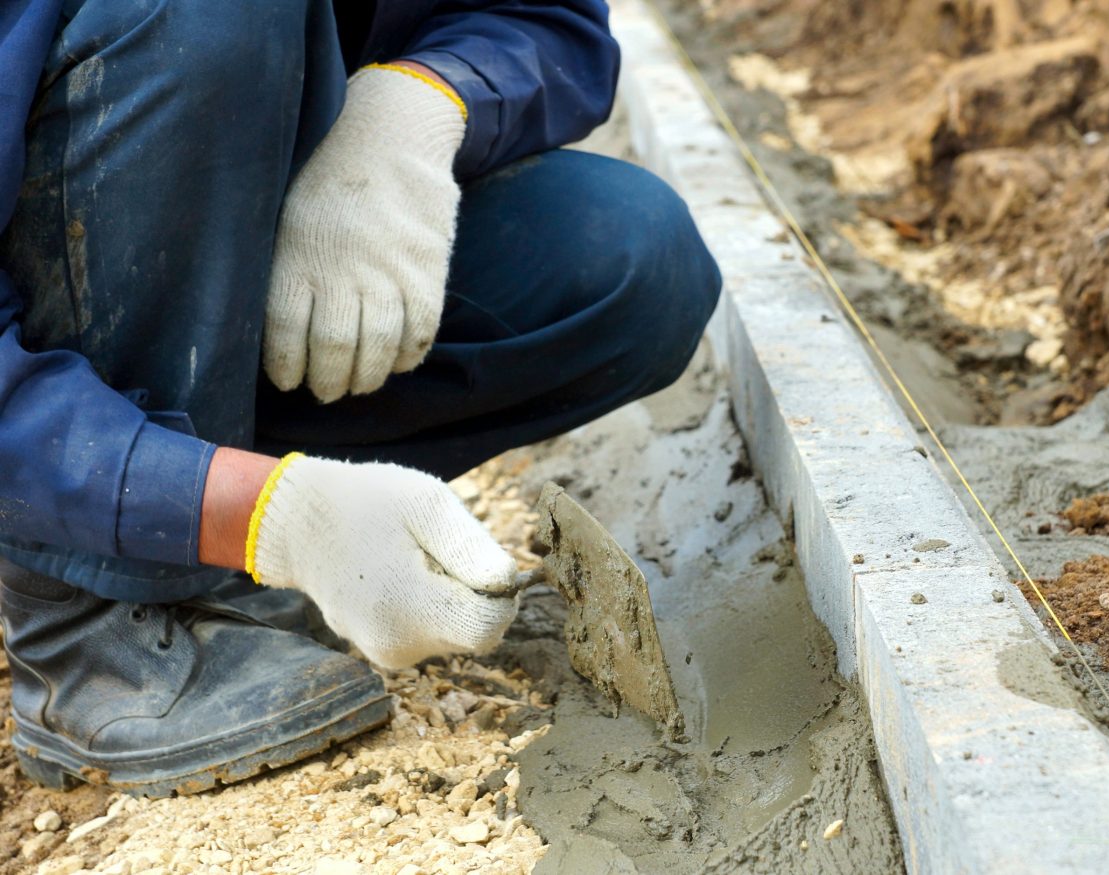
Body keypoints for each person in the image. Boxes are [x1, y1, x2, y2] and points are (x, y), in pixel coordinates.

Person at [0, 0, 721, 796]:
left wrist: (417, 106)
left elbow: (550, 21)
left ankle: (229, 517)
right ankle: (88, 623)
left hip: (239, 267)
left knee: (627, 257)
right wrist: (272, 514)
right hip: (47, 383)